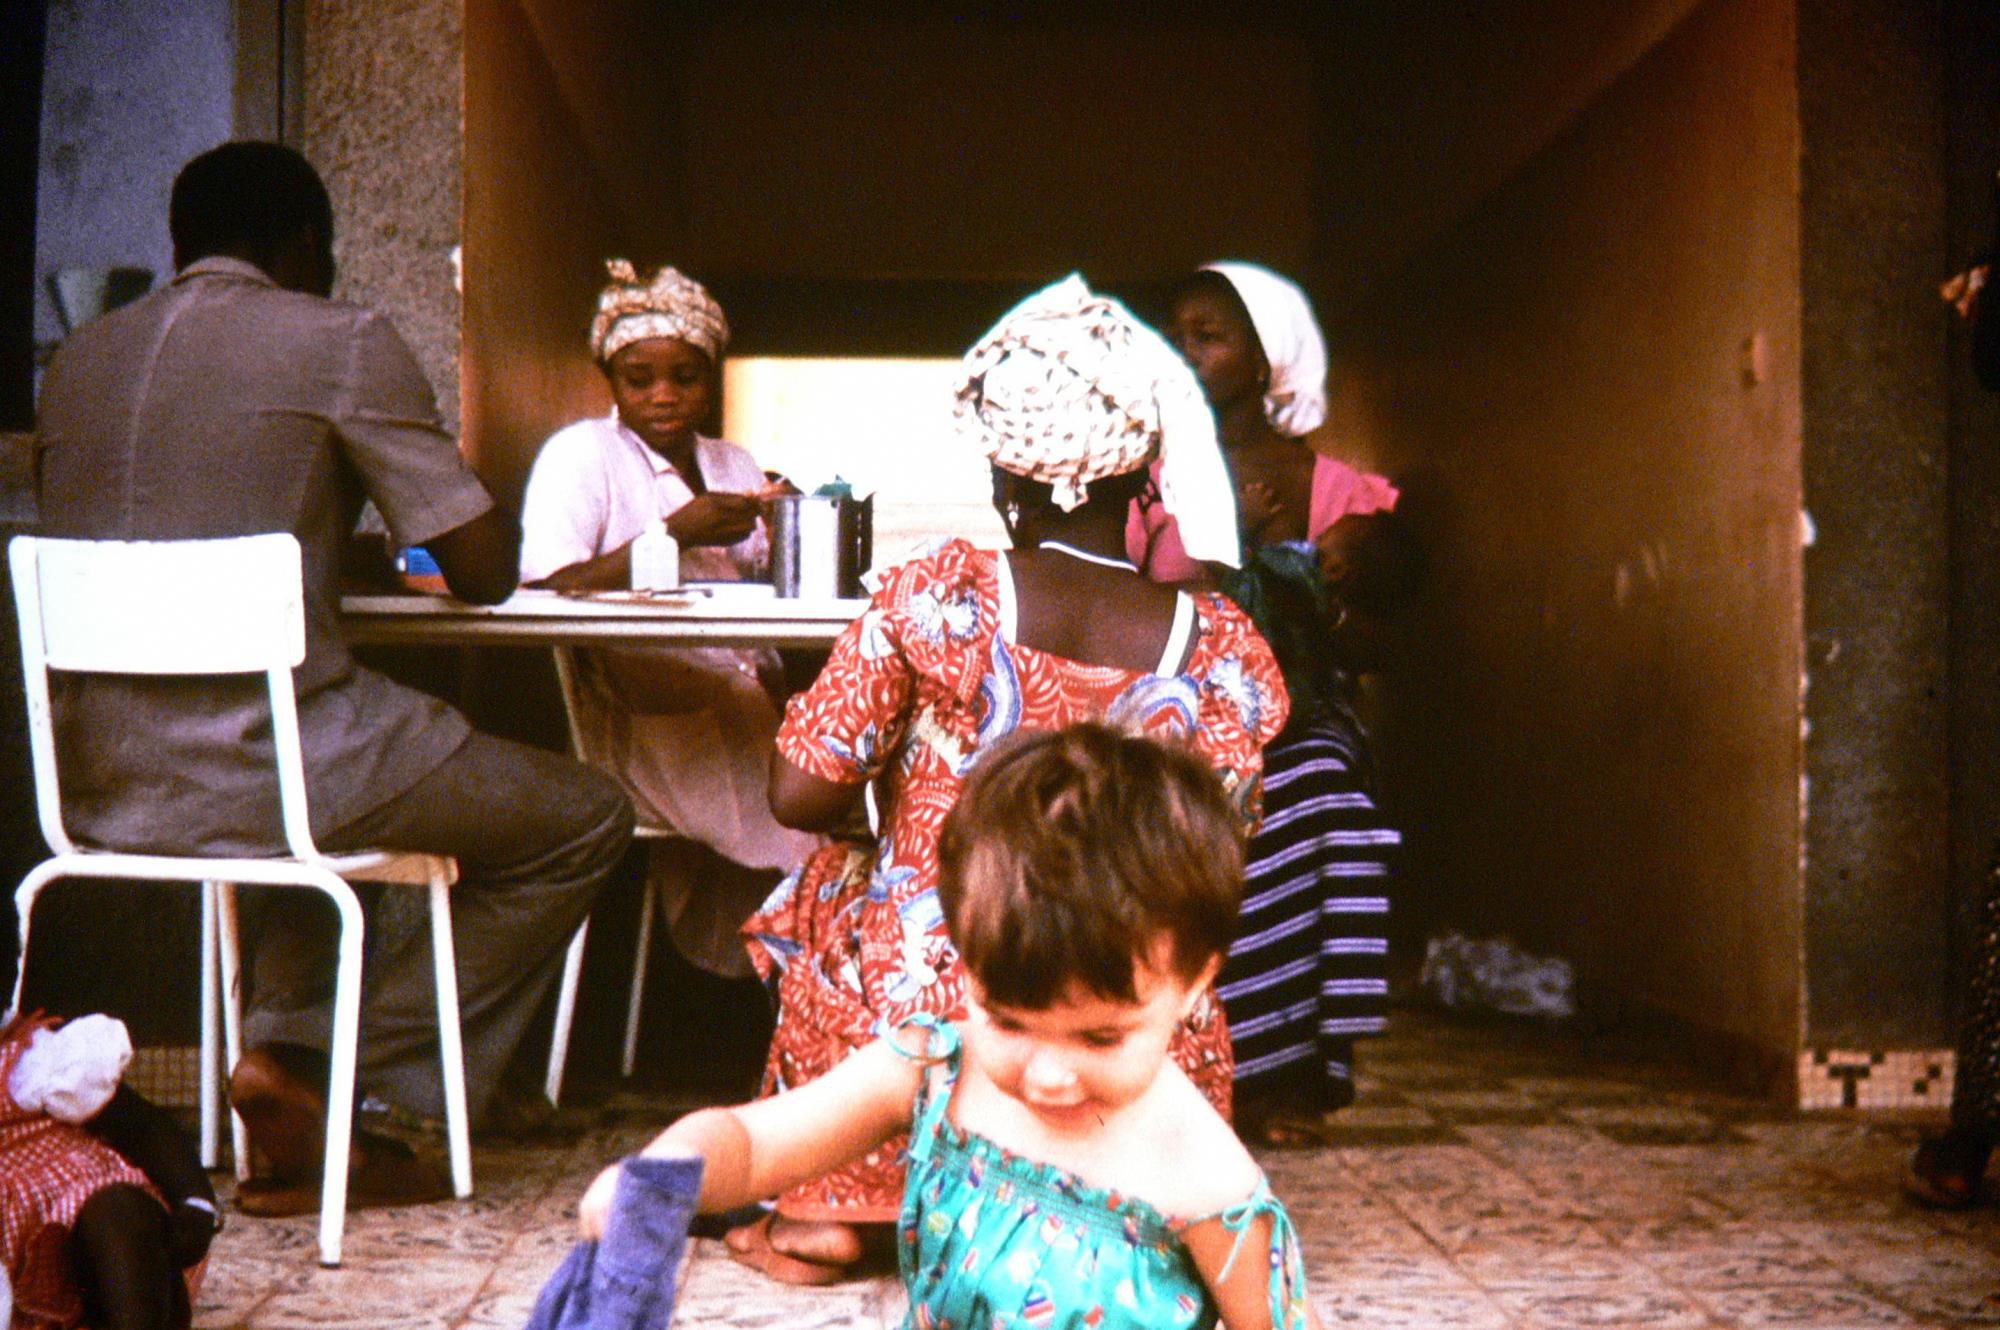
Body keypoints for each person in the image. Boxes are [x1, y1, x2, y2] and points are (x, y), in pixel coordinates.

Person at [32, 142, 634, 1215]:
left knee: (319, 826)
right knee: (582, 817)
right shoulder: (338, 338)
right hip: (276, 767)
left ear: (181, 242)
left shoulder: (79, 360)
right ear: (307, 245)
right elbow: (483, 569)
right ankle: (338, 1075)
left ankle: (292, 1074)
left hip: (93, 782)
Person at [733, 275, 1289, 1282]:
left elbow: (799, 794)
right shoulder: (1223, 644)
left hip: (954, 996)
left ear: (1008, 476)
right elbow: (1223, 844)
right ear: (1146, 473)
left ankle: (835, 1204)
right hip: (1128, 1011)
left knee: (831, 887)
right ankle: (1124, 1194)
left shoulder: (941, 594)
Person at [572, 724, 1322, 1330]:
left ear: (1194, 983)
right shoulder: (934, 1067)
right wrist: (664, 1176)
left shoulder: (1205, 1180)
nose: (1048, 1075)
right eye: (1009, 1021)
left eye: (1101, 1037)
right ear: (963, 965)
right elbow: (758, 1143)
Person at [1132, 262, 1412, 1146]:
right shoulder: (1148, 480)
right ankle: (1173, 1074)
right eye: (1177, 335)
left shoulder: (1337, 492)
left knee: (1323, 798)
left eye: (1209, 336)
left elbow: (1379, 639)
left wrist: (1318, 597)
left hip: (1298, 719)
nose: (1185, 351)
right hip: (1177, 714)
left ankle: (1288, 1080)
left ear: (1266, 359)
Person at [518, 261, 817, 979]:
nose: (663, 396)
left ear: (710, 378)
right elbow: (549, 586)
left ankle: (815, 964)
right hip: (640, 712)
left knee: (830, 760)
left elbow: (767, 579)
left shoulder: (732, 462)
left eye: (685, 377)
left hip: (745, 694)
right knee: (807, 807)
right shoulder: (581, 455)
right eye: (639, 379)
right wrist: (674, 534)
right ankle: (813, 966)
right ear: (610, 380)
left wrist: (791, 519)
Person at [2, 1012, 217, 1330]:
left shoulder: (37, 1057)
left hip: (93, 1241)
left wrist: (197, 1200)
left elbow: (141, 1125)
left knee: (119, 1211)